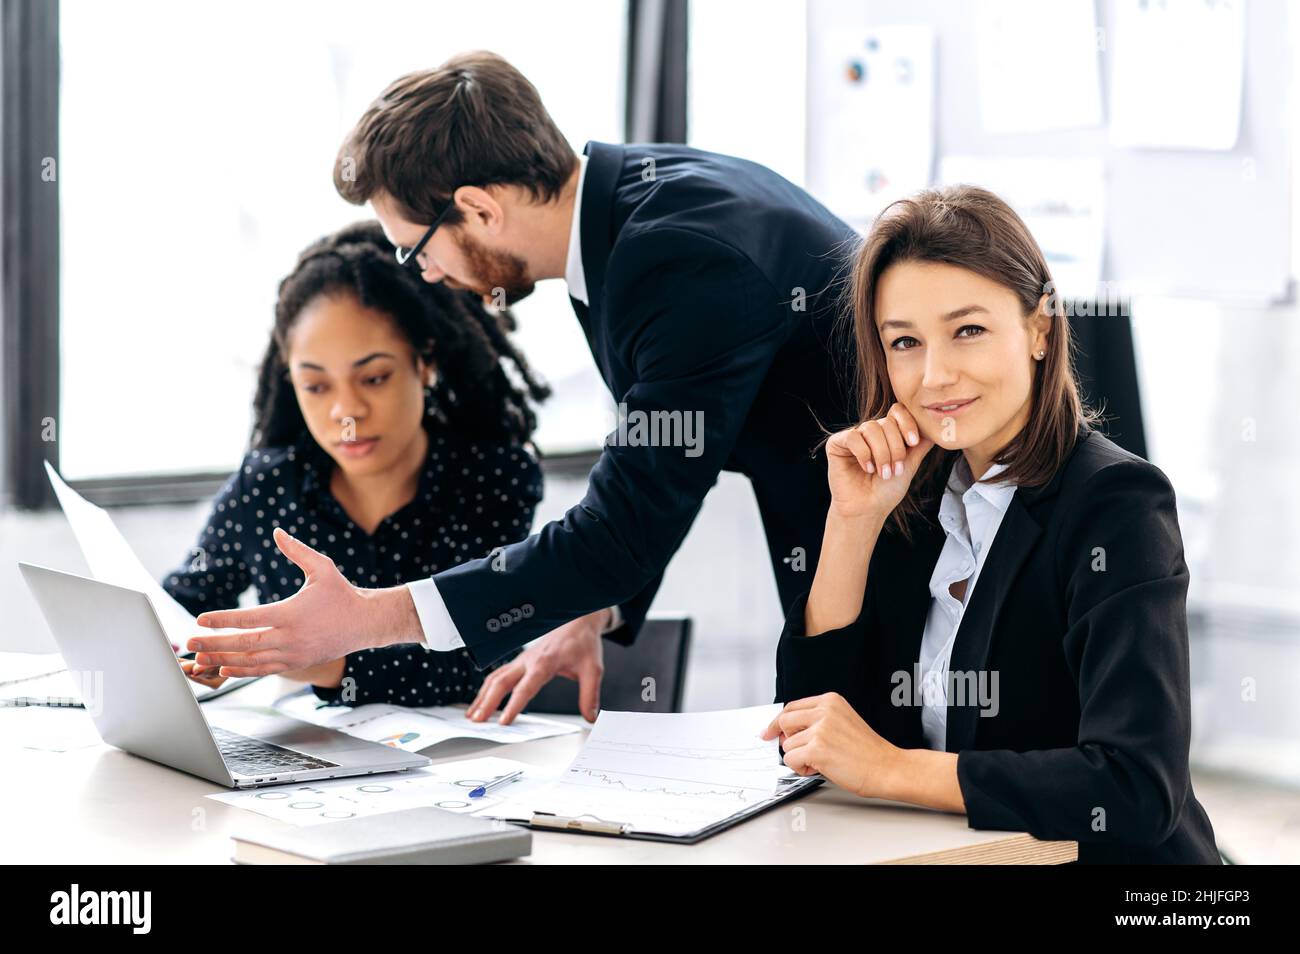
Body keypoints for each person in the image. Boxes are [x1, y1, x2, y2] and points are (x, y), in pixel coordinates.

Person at [186, 51, 861, 724]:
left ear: (479, 210)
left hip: (903, 536)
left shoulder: (670, 258)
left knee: (846, 776)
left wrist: (364, 618)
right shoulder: (630, 216)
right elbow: (668, 469)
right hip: (847, 526)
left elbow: (620, 528)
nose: (421, 276)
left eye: (415, 250)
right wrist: (593, 608)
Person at [760, 185, 1220, 864]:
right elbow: (813, 732)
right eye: (905, 342)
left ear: (1039, 329)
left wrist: (892, 769)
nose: (935, 374)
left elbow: (1135, 785)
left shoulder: (1115, 501)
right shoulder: (907, 492)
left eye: (967, 330)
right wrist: (851, 526)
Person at [165, 221, 548, 708]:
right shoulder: (265, 486)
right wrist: (193, 654)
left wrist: (324, 661)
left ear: (425, 361)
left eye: (374, 378)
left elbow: (485, 656)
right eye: (317, 386)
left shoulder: (494, 479)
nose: (346, 413)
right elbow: (183, 608)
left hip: (470, 760)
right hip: (304, 766)